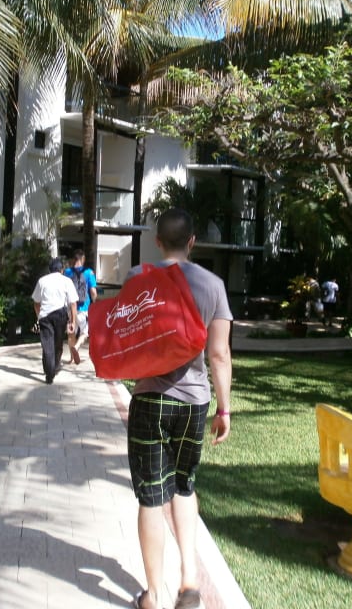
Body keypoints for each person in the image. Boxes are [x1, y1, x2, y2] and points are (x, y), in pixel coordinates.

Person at [125, 208, 233, 609]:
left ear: (157, 242)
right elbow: (218, 355)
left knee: (152, 496)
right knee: (184, 486)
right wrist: (224, 410)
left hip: (150, 398)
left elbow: (128, 339)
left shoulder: (138, 278)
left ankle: (154, 595)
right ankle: (189, 583)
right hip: (194, 402)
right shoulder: (214, 285)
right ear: (192, 242)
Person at [31, 258, 78, 384]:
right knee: (57, 343)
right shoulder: (66, 281)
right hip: (60, 315)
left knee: (47, 345)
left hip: (45, 316)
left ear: (49, 269)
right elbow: (73, 303)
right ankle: (54, 366)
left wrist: (39, 316)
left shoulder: (42, 281)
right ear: (61, 270)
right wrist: (73, 322)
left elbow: (36, 302)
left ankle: (49, 373)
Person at [64, 248, 97, 364]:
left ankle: (71, 359)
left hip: (70, 308)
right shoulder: (89, 272)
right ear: (83, 259)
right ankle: (77, 347)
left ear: (73, 259)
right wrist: (94, 302)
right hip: (84, 308)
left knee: (71, 332)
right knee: (85, 333)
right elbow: (93, 292)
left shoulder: (67, 272)